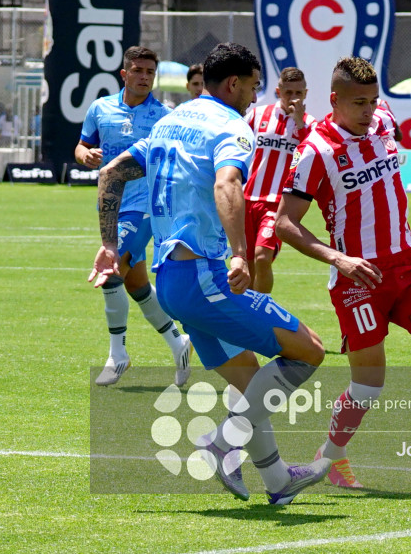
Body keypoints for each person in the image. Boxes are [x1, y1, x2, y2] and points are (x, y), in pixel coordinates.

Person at [89, 42, 332, 505]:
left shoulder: (169, 121)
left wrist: (109, 244)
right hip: (202, 277)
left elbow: (110, 174)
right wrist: (240, 254)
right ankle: (221, 444)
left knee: (251, 383)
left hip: (169, 282)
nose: (254, 97)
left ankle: (278, 480)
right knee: (309, 351)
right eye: (254, 86)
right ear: (235, 83)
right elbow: (227, 182)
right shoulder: (231, 125)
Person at [275, 57, 411, 491]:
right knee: (368, 386)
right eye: (358, 102)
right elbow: (284, 223)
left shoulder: (383, 122)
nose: (368, 110)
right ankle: (331, 455)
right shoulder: (316, 151)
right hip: (358, 280)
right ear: (335, 100)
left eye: (373, 100)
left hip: (407, 264)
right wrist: (337, 259)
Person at [76, 46, 193, 387]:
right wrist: (85, 154)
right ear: (124, 73)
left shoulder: (164, 116)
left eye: (149, 72)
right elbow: (82, 144)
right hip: (110, 207)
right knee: (135, 283)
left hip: (144, 207)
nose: (144, 77)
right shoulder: (100, 109)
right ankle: (177, 341)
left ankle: (118, 354)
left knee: (111, 272)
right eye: (138, 70)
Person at [243, 67, 315, 293]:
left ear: (306, 93)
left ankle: (262, 311)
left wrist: (300, 123)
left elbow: (312, 156)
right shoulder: (257, 115)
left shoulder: (310, 125)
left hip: (278, 203)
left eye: (299, 93)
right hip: (246, 199)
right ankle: (252, 319)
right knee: (248, 265)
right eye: (288, 92)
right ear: (278, 91)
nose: (293, 98)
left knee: (262, 257)